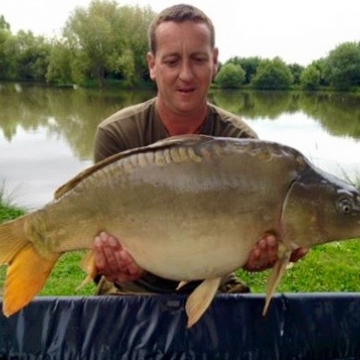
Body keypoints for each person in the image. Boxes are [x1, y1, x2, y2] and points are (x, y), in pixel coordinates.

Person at [92, 4, 308, 295]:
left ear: (214, 61)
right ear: (152, 65)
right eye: (171, 61)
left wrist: (263, 252)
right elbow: (101, 238)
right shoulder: (116, 134)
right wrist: (107, 259)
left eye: (197, 59)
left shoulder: (244, 144)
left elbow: (262, 233)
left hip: (213, 281)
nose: (186, 74)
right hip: (134, 286)